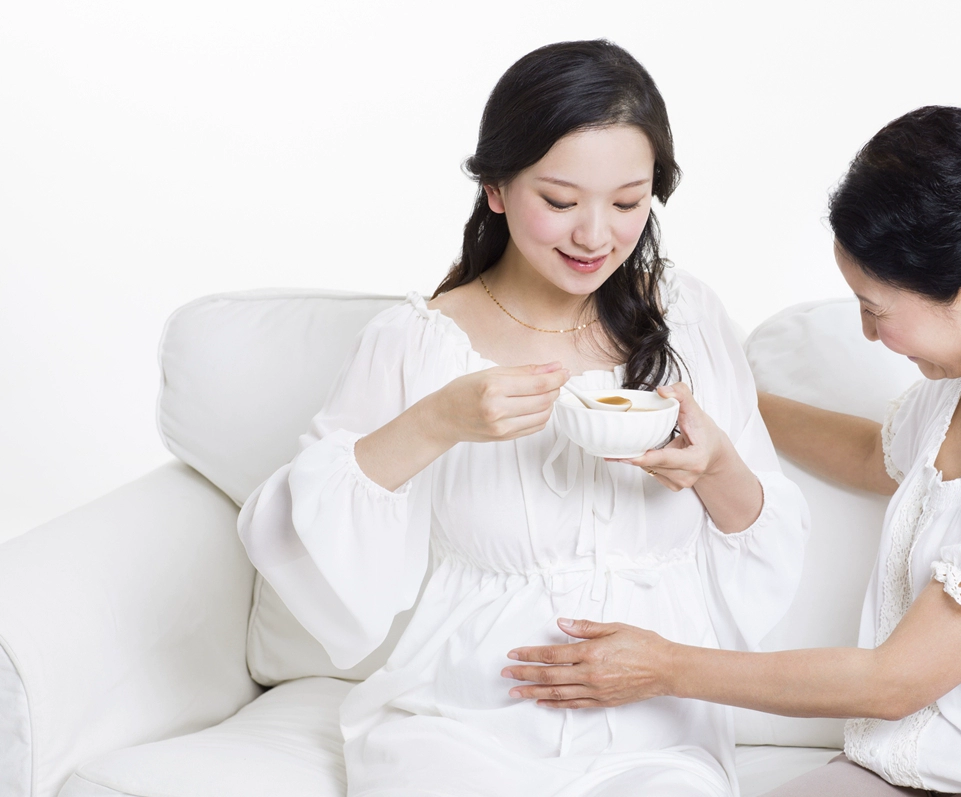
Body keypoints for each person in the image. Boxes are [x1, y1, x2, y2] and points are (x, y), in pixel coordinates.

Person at [505, 107, 961, 796]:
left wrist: (661, 666)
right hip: (904, 768)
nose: (868, 332)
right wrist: (725, 405)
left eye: (876, 309)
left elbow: (892, 681)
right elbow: (876, 453)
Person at [236, 40, 809, 797]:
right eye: (562, 202)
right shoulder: (417, 341)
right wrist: (437, 421)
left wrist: (715, 466)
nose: (596, 235)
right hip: (462, 715)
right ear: (498, 189)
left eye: (629, 202)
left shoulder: (688, 318)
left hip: (652, 724)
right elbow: (292, 532)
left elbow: (767, 546)